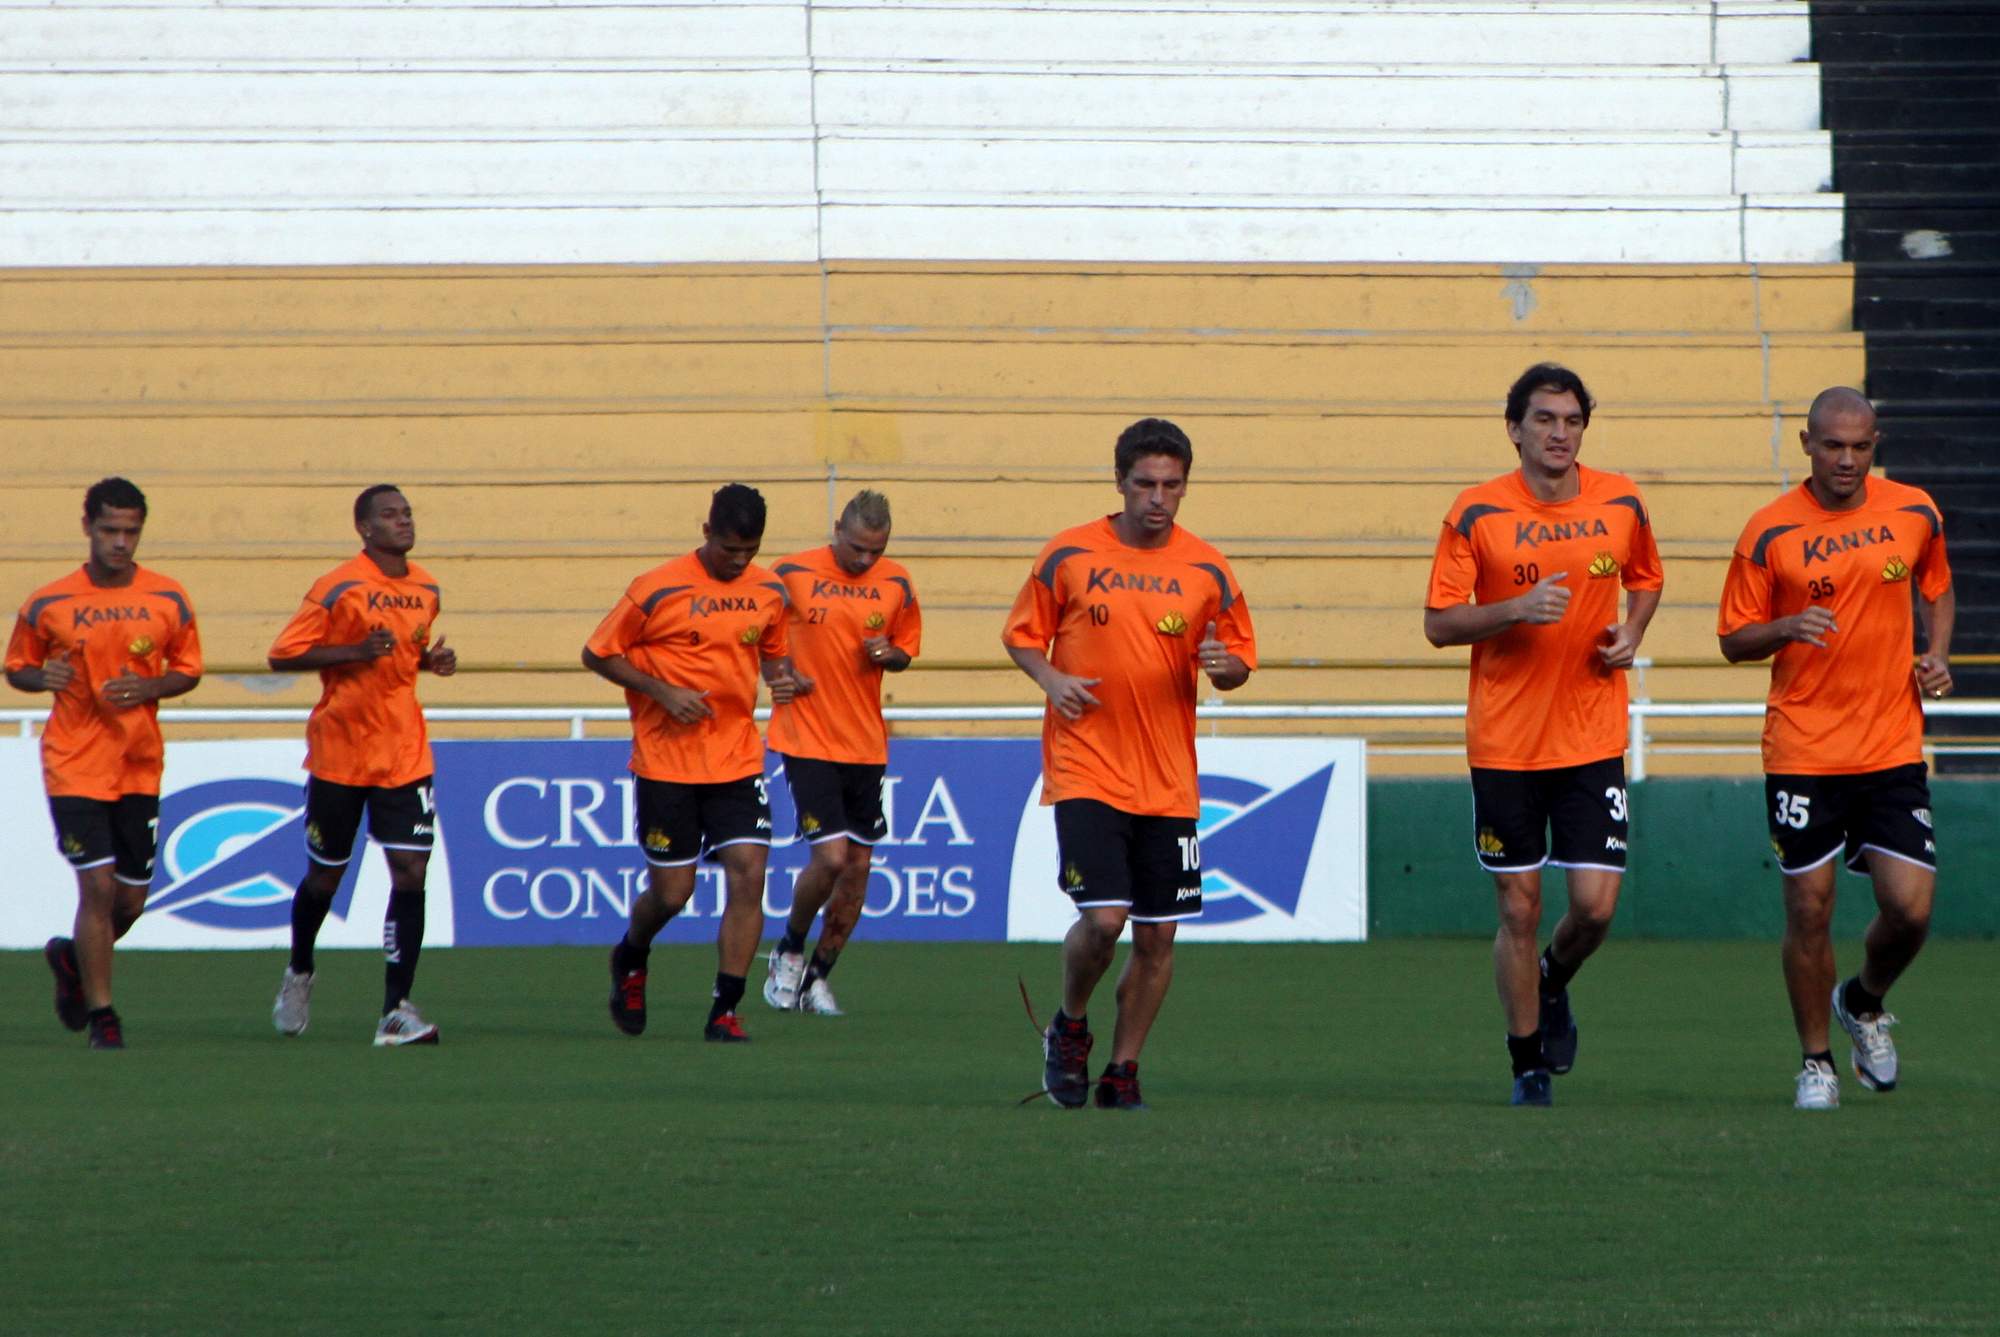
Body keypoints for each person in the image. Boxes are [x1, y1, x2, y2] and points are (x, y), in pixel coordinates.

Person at [1423, 363, 1663, 1107]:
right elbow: (1438, 622)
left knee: (1593, 907)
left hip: (1591, 735)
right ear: (1515, 427)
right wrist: (1514, 608)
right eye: (1546, 419)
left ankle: (1553, 977)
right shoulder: (1476, 512)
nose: (1560, 433)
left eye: (1572, 420)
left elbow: (1647, 576)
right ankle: (1527, 1061)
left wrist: (1633, 630)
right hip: (1505, 741)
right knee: (1519, 906)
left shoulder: (1620, 498)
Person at [1003, 418, 1256, 1110]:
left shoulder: (1207, 568)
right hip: (1086, 766)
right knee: (1106, 918)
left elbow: (1237, 662)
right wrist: (1052, 679)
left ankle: (1123, 1069)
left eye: (1172, 485)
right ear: (1119, 482)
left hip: (1169, 778)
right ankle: (1070, 1024)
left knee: (1158, 935)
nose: (1158, 498)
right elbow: (1021, 637)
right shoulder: (1070, 554)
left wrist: (1224, 666)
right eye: (1145, 484)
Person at [1717, 386, 1953, 1111]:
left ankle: (1865, 999)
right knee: (1810, 908)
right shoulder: (1768, 531)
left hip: (1889, 743)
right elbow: (1732, 637)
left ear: (1875, 444)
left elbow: (1937, 589)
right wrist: (1786, 626)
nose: (1846, 459)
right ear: (1807, 445)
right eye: (1832, 445)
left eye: (1860, 446)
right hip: (1804, 748)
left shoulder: (1914, 510)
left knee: (1910, 909)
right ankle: (1815, 1061)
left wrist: (1936, 653)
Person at [587, 483, 799, 1043]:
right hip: (666, 762)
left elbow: (774, 657)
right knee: (672, 894)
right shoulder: (656, 589)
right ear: (706, 533)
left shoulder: (770, 590)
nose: (740, 560)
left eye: (750, 550)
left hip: (735, 758)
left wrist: (786, 681)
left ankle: (725, 1010)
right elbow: (598, 652)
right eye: (730, 549)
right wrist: (661, 692)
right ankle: (631, 955)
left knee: (750, 873)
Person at [6, 478, 203, 1050]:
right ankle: (103, 1016)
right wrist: (42, 676)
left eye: (131, 532)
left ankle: (72, 960)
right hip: (74, 762)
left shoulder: (168, 597)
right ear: (87, 526)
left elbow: (187, 669)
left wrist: (151, 687)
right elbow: (18, 665)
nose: (121, 542)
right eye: (111, 530)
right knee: (95, 888)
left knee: (129, 901)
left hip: (138, 761)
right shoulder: (50, 602)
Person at [267, 484, 456, 1046]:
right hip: (341, 753)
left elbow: (401, 654)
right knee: (325, 877)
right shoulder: (338, 586)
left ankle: (395, 1009)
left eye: (407, 513)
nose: (403, 522)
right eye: (390, 515)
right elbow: (283, 654)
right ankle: (299, 969)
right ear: (365, 529)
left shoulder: (426, 587)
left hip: (403, 752)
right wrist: (353, 651)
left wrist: (429, 660)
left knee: (410, 871)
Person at [762, 489, 922, 1017]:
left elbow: (905, 649)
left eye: (875, 550)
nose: (865, 560)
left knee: (856, 872)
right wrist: (780, 674)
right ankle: (787, 950)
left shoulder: (896, 582)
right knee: (829, 857)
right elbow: (755, 637)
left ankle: (817, 978)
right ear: (837, 529)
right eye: (856, 547)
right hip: (806, 737)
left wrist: (890, 655)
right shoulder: (789, 573)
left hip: (865, 743)